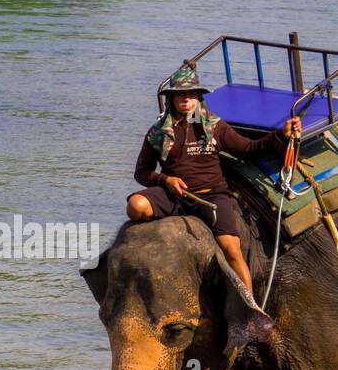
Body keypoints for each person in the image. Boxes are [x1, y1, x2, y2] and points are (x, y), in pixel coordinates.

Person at [129, 60, 301, 300]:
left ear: (199, 97)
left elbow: (249, 149)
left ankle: (250, 308)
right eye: (180, 95)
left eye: (191, 94)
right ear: (172, 99)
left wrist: (281, 135)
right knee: (136, 206)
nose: (186, 99)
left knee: (232, 251)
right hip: (175, 195)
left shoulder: (215, 127)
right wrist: (165, 180)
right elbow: (141, 172)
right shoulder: (158, 132)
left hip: (211, 195)